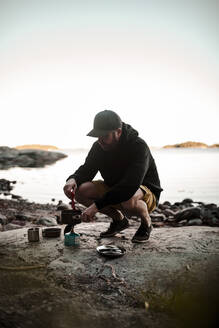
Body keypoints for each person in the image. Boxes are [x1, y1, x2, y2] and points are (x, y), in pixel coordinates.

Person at [63, 110, 163, 243]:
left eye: (104, 136)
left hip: (144, 192)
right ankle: (119, 220)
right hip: (115, 188)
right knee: (80, 191)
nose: (100, 140)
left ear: (119, 132)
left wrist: (95, 207)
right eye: (97, 136)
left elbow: (130, 186)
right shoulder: (99, 146)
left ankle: (146, 223)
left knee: (128, 199)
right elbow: (87, 169)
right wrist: (73, 179)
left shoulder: (138, 146)